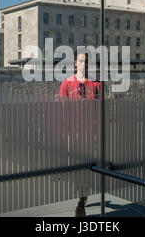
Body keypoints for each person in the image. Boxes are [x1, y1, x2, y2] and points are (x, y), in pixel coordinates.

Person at [58, 51, 100, 217]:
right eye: (81, 61)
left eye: (87, 61)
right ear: (75, 63)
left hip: (91, 133)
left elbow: (101, 109)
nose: (84, 64)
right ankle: (82, 198)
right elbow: (61, 110)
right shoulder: (67, 84)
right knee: (77, 168)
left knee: (87, 168)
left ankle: (82, 199)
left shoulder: (96, 84)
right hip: (73, 134)